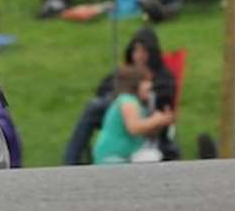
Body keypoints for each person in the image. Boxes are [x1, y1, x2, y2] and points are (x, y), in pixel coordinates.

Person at [63, 28, 177, 165]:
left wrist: (158, 117)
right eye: (136, 50)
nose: (139, 56)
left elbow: (165, 99)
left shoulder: (163, 76)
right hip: (122, 124)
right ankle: (71, 160)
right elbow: (104, 88)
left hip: (149, 120)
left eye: (144, 51)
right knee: (93, 107)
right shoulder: (127, 86)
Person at [92, 64, 174, 164]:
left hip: (125, 155)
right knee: (153, 157)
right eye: (146, 81)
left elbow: (145, 132)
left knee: (154, 155)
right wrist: (155, 120)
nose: (150, 85)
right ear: (135, 83)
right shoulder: (127, 100)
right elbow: (134, 128)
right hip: (113, 156)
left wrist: (160, 123)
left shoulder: (138, 104)